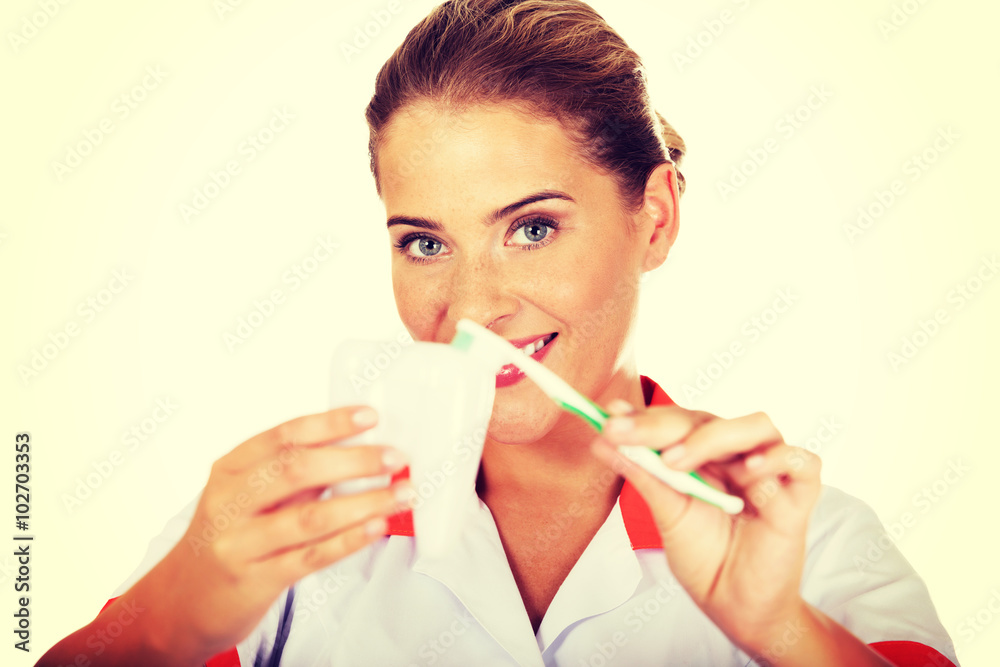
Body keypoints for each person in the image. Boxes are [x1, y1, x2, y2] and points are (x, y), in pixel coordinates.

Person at [37, 1, 959, 665]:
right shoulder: (278, 533)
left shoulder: (816, 550)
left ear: (656, 218)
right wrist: (159, 625)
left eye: (532, 228)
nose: (473, 308)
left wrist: (783, 631)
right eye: (425, 242)